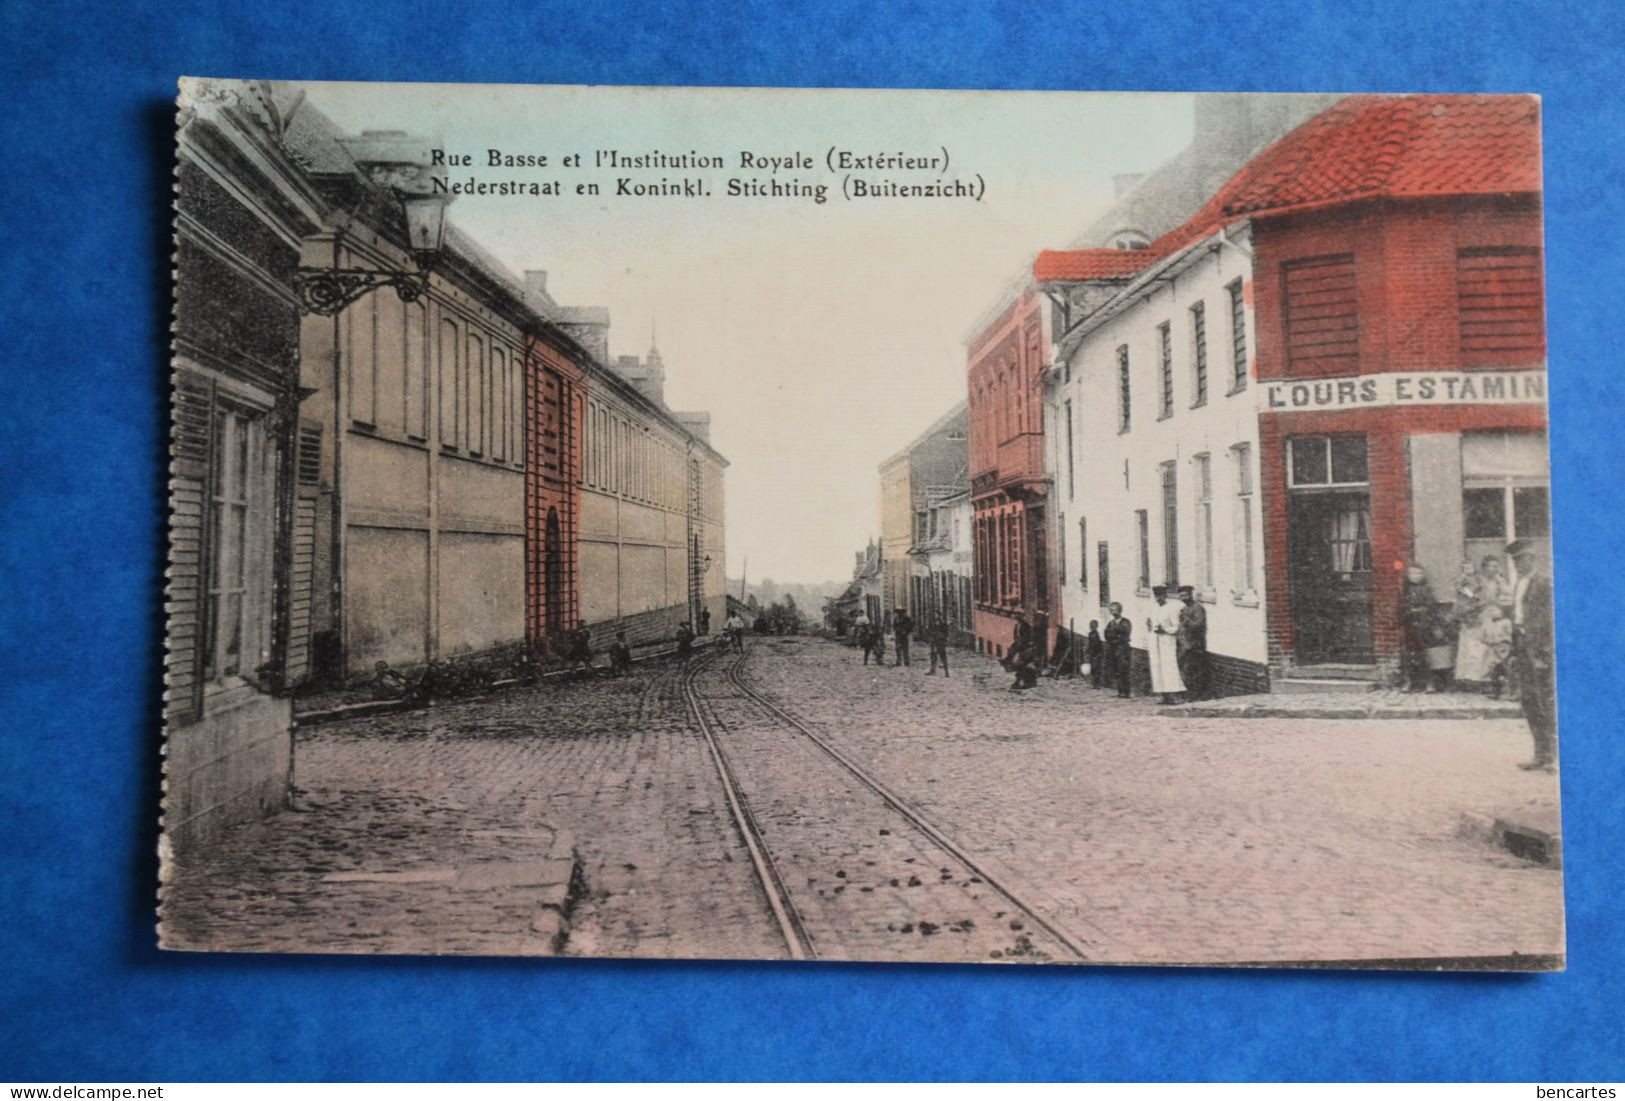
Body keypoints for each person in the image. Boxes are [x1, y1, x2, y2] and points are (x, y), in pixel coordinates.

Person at [1508, 541, 1556, 771]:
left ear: (1533, 559)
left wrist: (1545, 653)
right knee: (1529, 700)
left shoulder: (1545, 582)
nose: (1518, 564)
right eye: (1515, 560)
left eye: (1522, 559)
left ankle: (1554, 758)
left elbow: (1550, 620)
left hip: (1540, 651)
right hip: (1522, 647)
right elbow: (1517, 616)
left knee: (1547, 700)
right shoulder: (1518, 584)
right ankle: (1540, 754)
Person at [1400, 566, 1449, 693]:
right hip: (1410, 626)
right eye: (1412, 573)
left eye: (1418, 573)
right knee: (1408, 655)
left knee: (1428, 655)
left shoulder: (1427, 590)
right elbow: (1401, 608)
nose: (1415, 575)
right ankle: (1408, 682)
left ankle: (1430, 683)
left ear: (1422, 575)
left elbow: (1433, 608)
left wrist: (1434, 625)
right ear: (1408, 575)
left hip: (1425, 626)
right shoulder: (1405, 590)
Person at [1146, 586, 1186, 705]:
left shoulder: (1171, 609)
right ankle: (1164, 695)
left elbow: (1176, 627)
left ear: (1165, 595)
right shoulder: (1154, 608)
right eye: (1156, 596)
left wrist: (1165, 630)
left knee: (1169, 667)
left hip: (1167, 641)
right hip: (1155, 641)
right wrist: (1149, 625)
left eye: (1160, 595)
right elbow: (1152, 624)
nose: (1158, 598)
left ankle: (1174, 695)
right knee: (1157, 667)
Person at [1176, 585, 1210, 702]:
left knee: (1194, 670)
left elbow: (1198, 625)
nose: (1184, 598)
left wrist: (1186, 620)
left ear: (1191, 595)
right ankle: (1189, 694)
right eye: (1181, 596)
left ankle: (1196, 695)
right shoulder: (1184, 609)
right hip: (1184, 645)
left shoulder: (1198, 608)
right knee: (1185, 670)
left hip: (1195, 645)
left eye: (1186, 595)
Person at [1481, 605, 1514, 700]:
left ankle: (1510, 691)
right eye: (1490, 611)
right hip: (1493, 650)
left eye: (1495, 610)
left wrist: (1503, 642)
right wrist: (1488, 642)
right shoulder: (1488, 624)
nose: (1493, 613)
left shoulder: (1506, 623)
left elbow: (1510, 635)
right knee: (1494, 671)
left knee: (1506, 669)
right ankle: (1496, 692)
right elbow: (1483, 637)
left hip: (1504, 648)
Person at [1103, 604, 1132, 698]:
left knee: (1123, 669)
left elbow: (1125, 635)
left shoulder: (1125, 622)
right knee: (1116, 670)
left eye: (1115, 610)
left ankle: (1126, 692)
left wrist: (1116, 639)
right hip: (1113, 649)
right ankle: (1120, 691)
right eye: (1111, 610)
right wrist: (1111, 640)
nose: (1113, 612)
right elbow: (1107, 634)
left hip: (1123, 649)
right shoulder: (1111, 623)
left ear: (1120, 610)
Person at [1085, 621, 1105, 689]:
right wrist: (1088, 650)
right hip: (1093, 654)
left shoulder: (1096, 634)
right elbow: (1090, 644)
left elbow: (1098, 645)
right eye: (1091, 625)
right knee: (1093, 669)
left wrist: (1099, 653)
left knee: (1096, 669)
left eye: (1093, 626)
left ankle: (1097, 684)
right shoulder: (1091, 634)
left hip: (1096, 654)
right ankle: (1094, 683)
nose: (1092, 627)